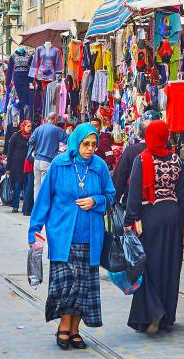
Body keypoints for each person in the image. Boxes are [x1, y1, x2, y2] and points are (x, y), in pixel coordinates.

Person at [29, 123, 116, 350]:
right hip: (62, 236)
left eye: (94, 145)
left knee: (83, 287)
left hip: (90, 237)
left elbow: (111, 195)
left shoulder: (99, 167)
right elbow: (44, 200)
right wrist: (34, 231)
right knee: (65, 285)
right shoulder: (59, 164)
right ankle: (63, 327)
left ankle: (75, 330)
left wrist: (95, 201)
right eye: (86, 144)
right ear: (76, 142)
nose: (89, 149)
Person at [126, 119, 184, 334]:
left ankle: (153, 311)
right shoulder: (177, 161)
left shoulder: (142, 160)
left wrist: (131, 220)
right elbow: (182, 196)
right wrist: (183, 224)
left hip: (150, 217)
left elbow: (134, 195)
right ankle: (166, 315)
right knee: (170, 266)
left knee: (149, 266)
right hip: (172, 217)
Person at [113, 116, 151, 204]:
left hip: (134, 200)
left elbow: (120, 176)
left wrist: (115, 198)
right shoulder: (165, 152)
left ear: (139, 133)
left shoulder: (131, 151)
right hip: (160, 204)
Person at [29, 112, 67, 198]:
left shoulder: (39, 128)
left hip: (37, 160)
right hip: (47, 161)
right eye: (57, 119)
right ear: (54, 120)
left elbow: (31, 141)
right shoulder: (57, 130)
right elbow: (68, 140)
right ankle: (43, 209)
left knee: (37, 186)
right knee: (45, 187)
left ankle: (37, 208)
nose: (57, 121)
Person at [7, 120, 32, 213]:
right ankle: (15, 206)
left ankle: (26, 207)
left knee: (27, 185)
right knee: (17, 186)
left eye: (30, 127)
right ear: (23, 126)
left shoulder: (32, 137)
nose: (29, 128)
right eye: (28, 126)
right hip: (16, 165)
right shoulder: (15, 136)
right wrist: (8, 167)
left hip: (27, 164)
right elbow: (10, 152)